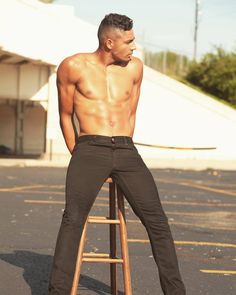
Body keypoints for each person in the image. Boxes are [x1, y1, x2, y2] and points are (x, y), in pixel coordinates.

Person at [48, 13, 186, 295]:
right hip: (89, 147)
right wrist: (79, 153)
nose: (134, 47)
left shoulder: (135, 68)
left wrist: (124, 146)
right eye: (129, 41)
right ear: (109, 42)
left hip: (125, 148)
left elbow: (132, 112)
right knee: (72, 219)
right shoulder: (73, 66)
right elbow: (65, 116)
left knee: (157, 220)